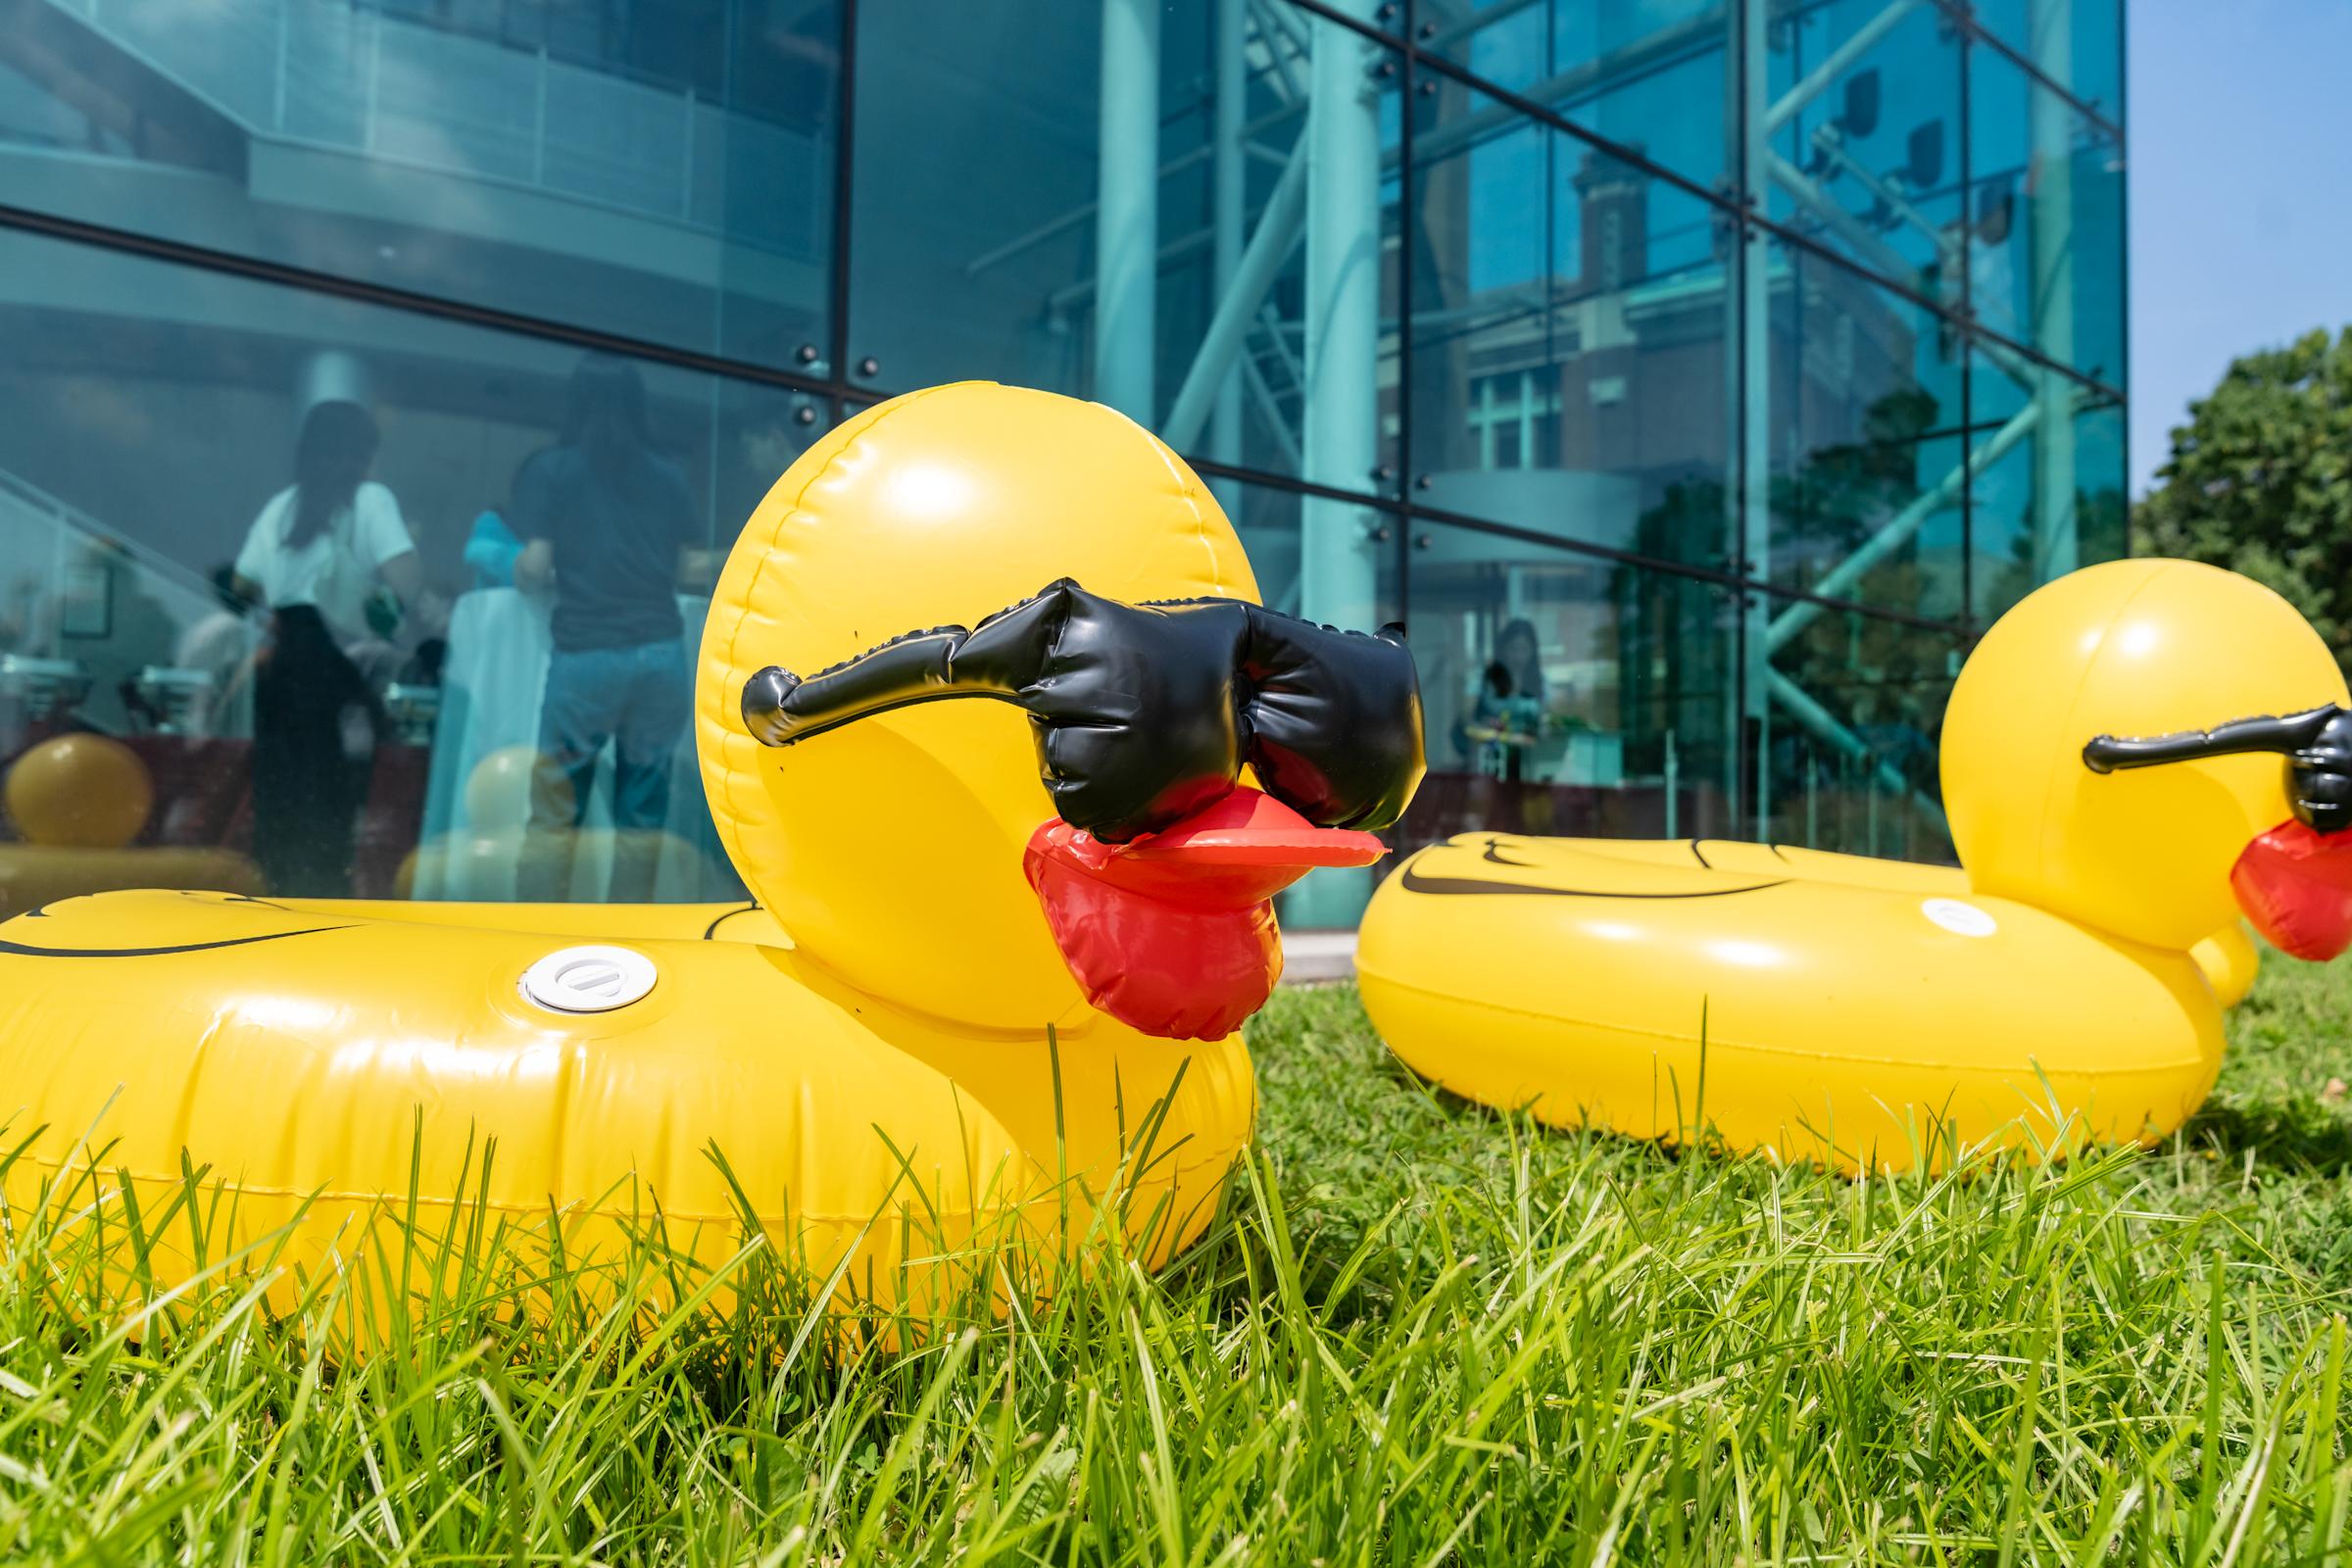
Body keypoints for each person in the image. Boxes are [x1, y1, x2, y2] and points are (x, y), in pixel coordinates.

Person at [512, 356, 709, 904]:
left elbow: (534, 565)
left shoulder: (555, 469)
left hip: (588, 656)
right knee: (641, 819)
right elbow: (691, 568)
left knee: (555, 815)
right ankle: (627, 943)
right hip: (660, 655)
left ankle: (534, 937)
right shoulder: (666, 474)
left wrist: (517, 567)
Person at [232, 399, 420, 897]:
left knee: (279, 799)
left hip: (278, 664)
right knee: (334, 799)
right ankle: (320, 915)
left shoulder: (283, 507)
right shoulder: (369, 499)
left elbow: (241, 584)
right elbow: (407, 579)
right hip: (335, 662)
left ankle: (275, 903)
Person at [1464, 618, 1546, 782]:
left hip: (1530, 769)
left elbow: (1546, 724)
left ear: (1532, 651)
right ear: (1503, 649)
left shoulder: (1540, 683)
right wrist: (1490, 732)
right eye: (1514, 648)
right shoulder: (1483, 679)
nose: (1518, 656)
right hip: (1489, 764)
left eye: (1524, 649)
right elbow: (1466, 721)